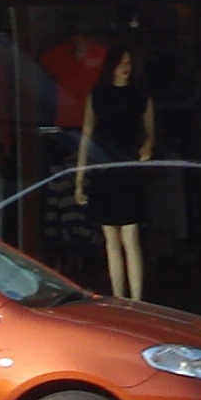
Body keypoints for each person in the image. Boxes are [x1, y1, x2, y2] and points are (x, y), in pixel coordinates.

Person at [75, 46, 156, 301]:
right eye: (121, 61)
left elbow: (151, 131)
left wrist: (148, 146)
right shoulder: (97, 95)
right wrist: (79, 179)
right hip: (104, 170)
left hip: (129, 167)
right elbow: (86, 136)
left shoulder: (141, 95)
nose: (125, 66)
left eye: (129, 61)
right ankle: (119, 298)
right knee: (110, 239)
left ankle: (137, 299)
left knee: (130, 237)